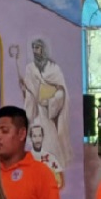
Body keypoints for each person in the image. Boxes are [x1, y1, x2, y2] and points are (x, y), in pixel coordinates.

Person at [19, 39, 72, 168]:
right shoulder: (30, 68)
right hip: (35, 111)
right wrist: (25, 89)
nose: (35, 51)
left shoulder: (54, 68)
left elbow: (62, 92)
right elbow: (29, 92)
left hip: (48, 112)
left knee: (51, 141)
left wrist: (50, 101)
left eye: (37, 48)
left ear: (43, 49)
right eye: (33, 48)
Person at [29, 124, 64, 189]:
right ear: (31, 137)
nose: (37, 140)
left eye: (40, 136)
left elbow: (59, 183)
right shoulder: (26, 158)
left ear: (43, 137)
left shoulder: (51, 158)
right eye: (34, 136)